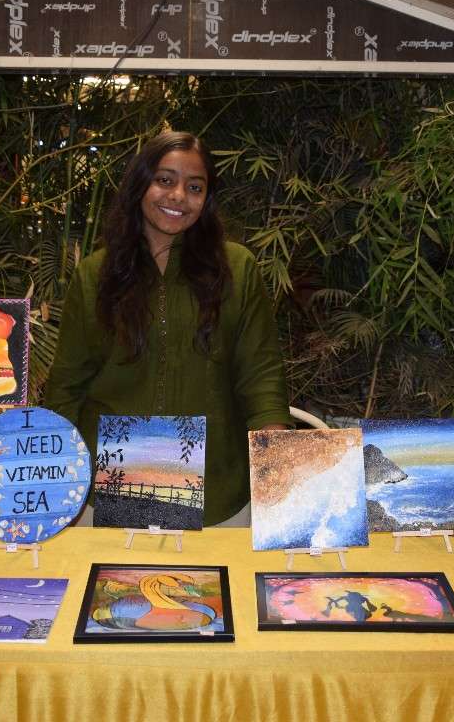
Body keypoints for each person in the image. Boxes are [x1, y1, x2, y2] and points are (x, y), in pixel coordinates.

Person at [46, 130, 291, 526]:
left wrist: (278, 470)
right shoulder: (95, 274)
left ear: (207, 198)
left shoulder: (238, 268)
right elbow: (66, 386)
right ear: (140, 185)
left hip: (217, 492)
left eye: (195, 187)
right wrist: (58, 481)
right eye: (164, 180)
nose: (178, 195)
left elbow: (261, 376)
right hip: (111, 486)